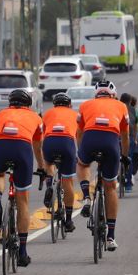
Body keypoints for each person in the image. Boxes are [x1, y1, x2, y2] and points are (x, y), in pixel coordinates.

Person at [0, 89, 45, 267]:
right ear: (28, 104)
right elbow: (37, 147)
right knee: (23, 201)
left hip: (0, 148)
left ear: (10, 103)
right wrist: (41, 167)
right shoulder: (36, 118)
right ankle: (22, 252)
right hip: (22, 150)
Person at [77, 81, 131, 251]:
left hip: (90, 139)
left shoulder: (85, 105)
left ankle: (86, 196)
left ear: (97, 94)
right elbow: (125, 135)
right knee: (110, 188)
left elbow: (79, 132)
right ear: (112, 94)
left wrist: (81, 151)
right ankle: (110, 237)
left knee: (82, 164)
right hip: (111, 143)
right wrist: (124, 156)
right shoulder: (121, 106)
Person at [40, 92, 80, 233]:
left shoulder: (47, 113)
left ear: (54, 104)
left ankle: (49, 185)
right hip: (66, 143)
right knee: (68, 181)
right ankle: (68, 219)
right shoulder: (75, 114)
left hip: (50, 141)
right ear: (69, 105)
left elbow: (43, 133)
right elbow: (78, 136)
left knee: (49, 163)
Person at [119, 93, 138, 192]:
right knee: (128, 160)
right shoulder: (134, 110)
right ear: (130, 101)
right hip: (129, 137)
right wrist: (135, 138)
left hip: (117, 136)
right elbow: (135, 125)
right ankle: (128, 185)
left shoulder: (117, 107)